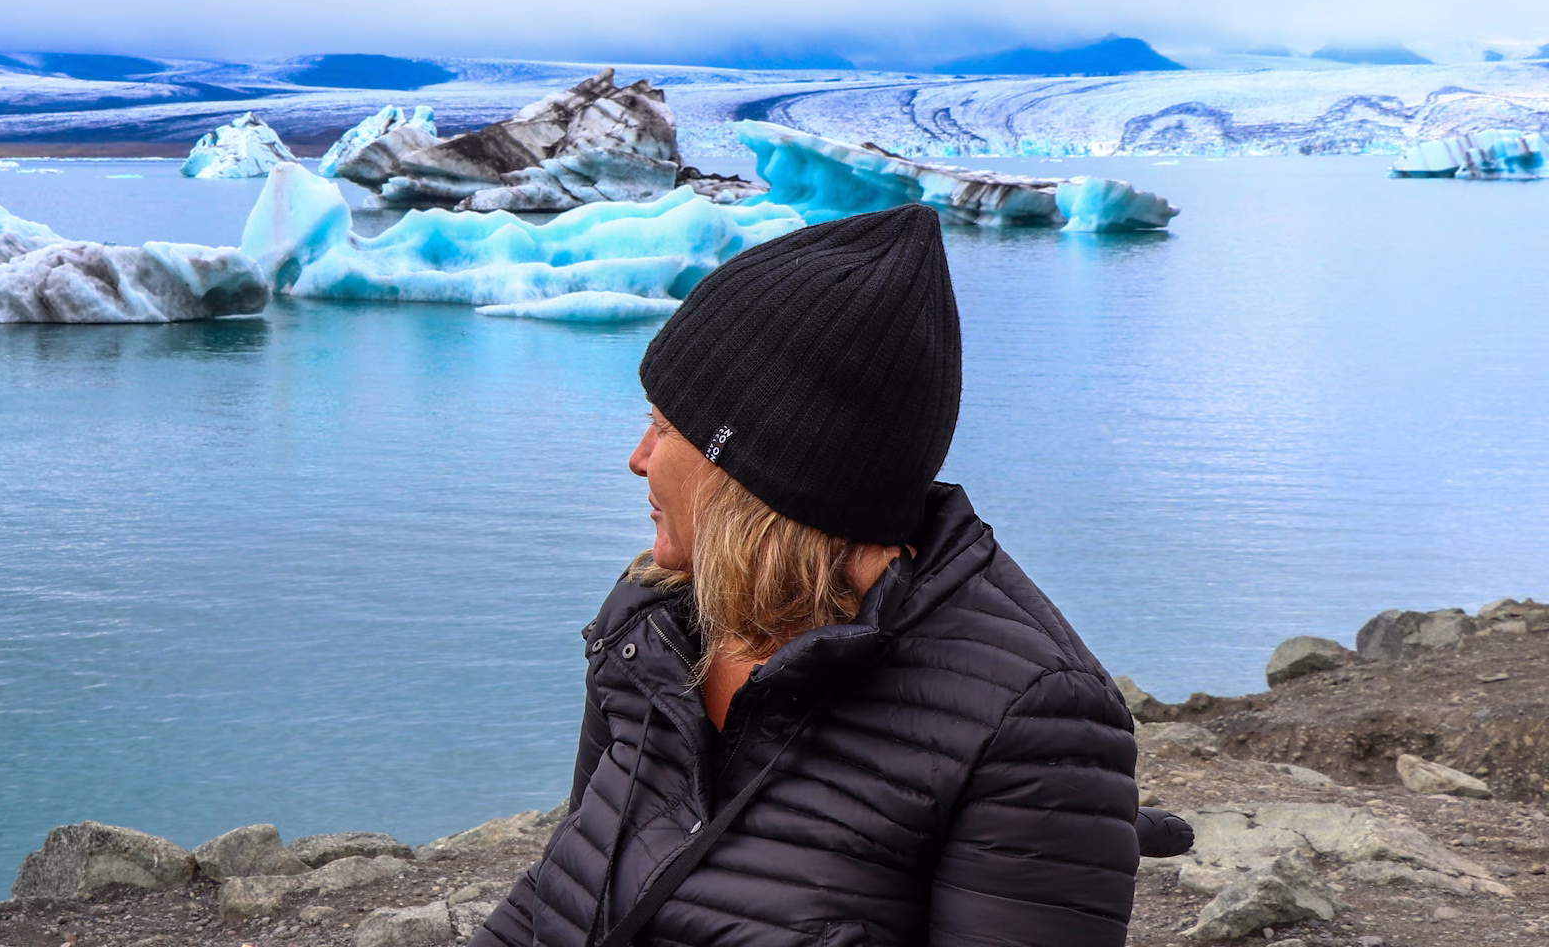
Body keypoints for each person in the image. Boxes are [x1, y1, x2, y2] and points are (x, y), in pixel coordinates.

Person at [470, 204, 1139, 947]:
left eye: (663, 428)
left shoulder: (1030, 716)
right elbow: (574, 882)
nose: (638, 458)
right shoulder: (656, 617)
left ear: (753, 471)